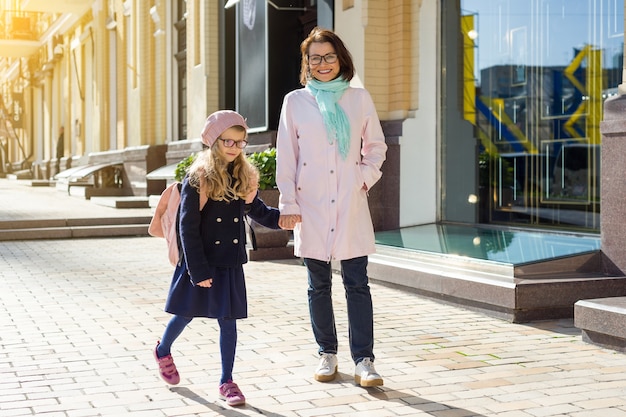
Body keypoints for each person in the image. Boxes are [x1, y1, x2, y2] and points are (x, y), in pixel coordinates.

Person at [276, 27, 388, 387]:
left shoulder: (358, 99)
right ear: (306, 64)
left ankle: (364, 361)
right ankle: (327, 353)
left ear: (341, 59)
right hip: (310, 206)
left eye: (329, 56)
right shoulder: (295, 101)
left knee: (357, 283)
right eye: (315, 58)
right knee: (318, 285)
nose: (322, 64)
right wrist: (289, 202)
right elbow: (287, 157)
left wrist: (362, 178)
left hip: (350, 203)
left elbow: (376, 148)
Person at [153, 110, 281, 407]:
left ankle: (227, 381)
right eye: (229, 141)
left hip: (229, 262)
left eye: (241, 142)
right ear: (214, 142)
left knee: (228, 321)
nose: (235, 147)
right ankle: (163, 349)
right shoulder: (199, 177)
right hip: (200, 261)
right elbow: (187, 226)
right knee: (185, 314)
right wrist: (197, 270)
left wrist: (287, 220)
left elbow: (259, 211)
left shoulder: (244, 176)